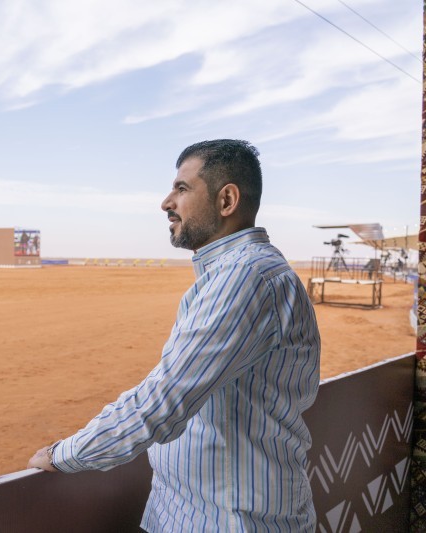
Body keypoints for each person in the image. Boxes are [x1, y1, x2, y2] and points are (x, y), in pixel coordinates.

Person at [27, 139, 320, 531]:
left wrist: (64, 454)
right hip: (191, 511)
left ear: (227, 200)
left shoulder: (245, 278)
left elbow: (162, 400)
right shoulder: (236, 274)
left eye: (182, 189)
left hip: (230, 520)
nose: (166, 202)